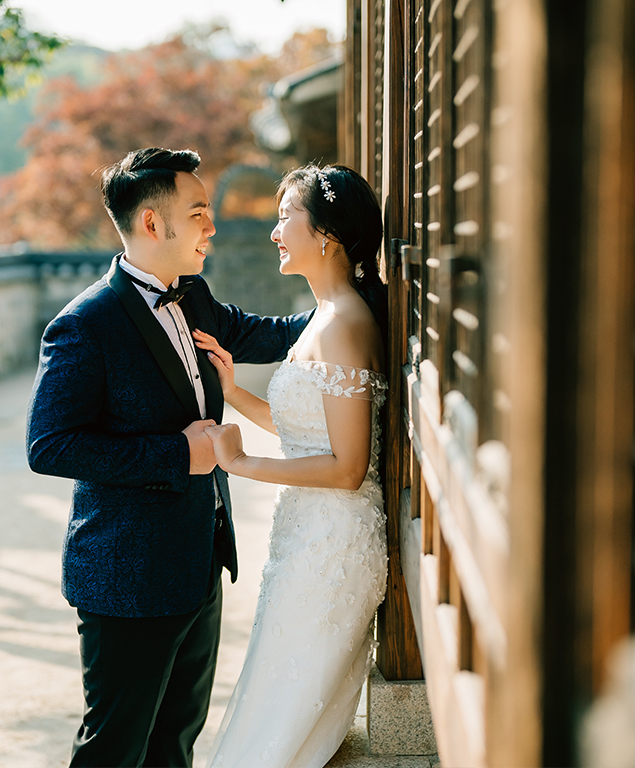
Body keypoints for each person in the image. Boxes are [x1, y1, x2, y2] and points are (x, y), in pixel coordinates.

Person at [26, 147, 311, 768]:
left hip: (199, 560)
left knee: (175, 743)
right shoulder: (84, 325)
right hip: (126, 574)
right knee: (115, 748)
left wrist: (348, 301)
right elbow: (48, 446)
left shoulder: (197, 296)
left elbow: (271, 332)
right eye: (200, 212)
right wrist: (176, 453)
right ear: (153, 224)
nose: (213, 226)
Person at [194, 164, 389, 768]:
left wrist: (243, 463)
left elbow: (348, 466)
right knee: (276, 698)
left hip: (334, 544)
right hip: (308, 535)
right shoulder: (324, 319)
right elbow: (312, 432)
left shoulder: (341, 326)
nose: (275, 230)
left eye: (286, 216)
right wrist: (232, 389)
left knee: (283, 713)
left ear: (326, 233)